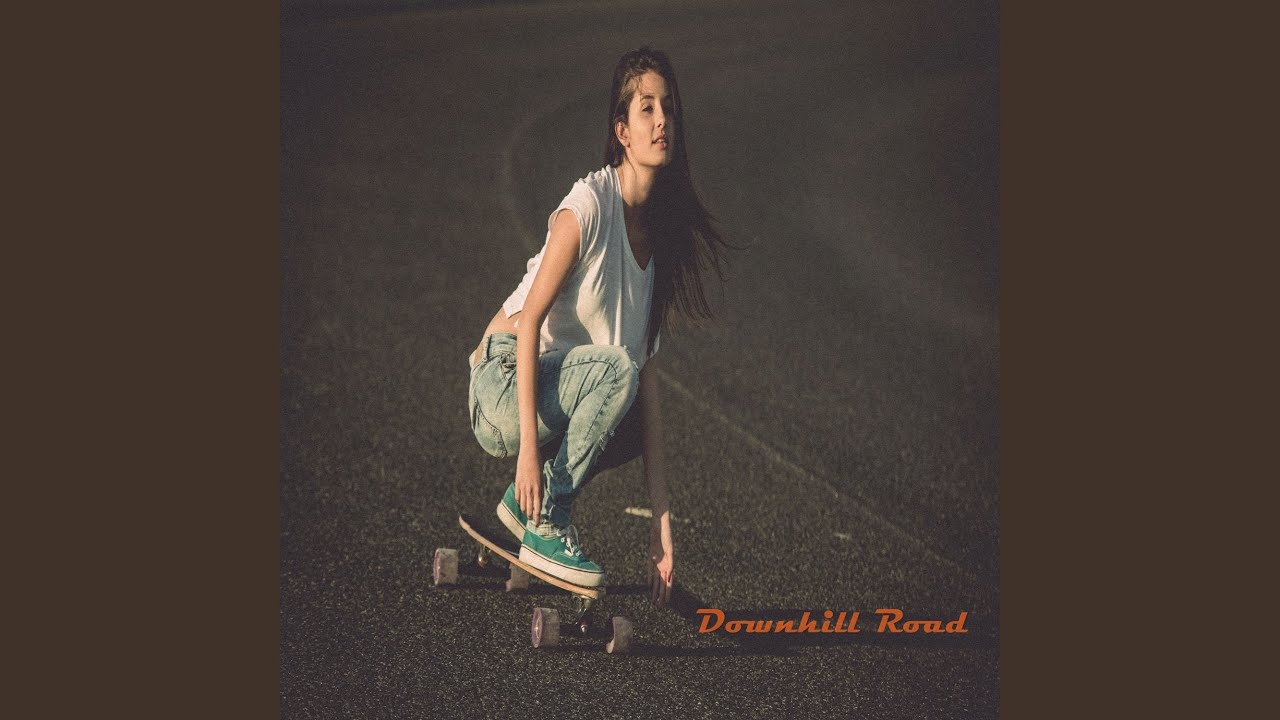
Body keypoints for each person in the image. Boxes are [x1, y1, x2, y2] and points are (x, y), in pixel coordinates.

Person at [466, 47, 730, 608]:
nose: (662, 121)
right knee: (616, 371)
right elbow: (530, 323)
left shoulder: (658, 246)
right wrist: (528, 458)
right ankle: (544, 518)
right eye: (646, 108)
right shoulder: (588, 205)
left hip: (551, 389)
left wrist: (661, 527)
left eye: (668, 108)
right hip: (501, 381)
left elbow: (648, 390)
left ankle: (528, 509)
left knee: (629, 410)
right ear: (622, 132)